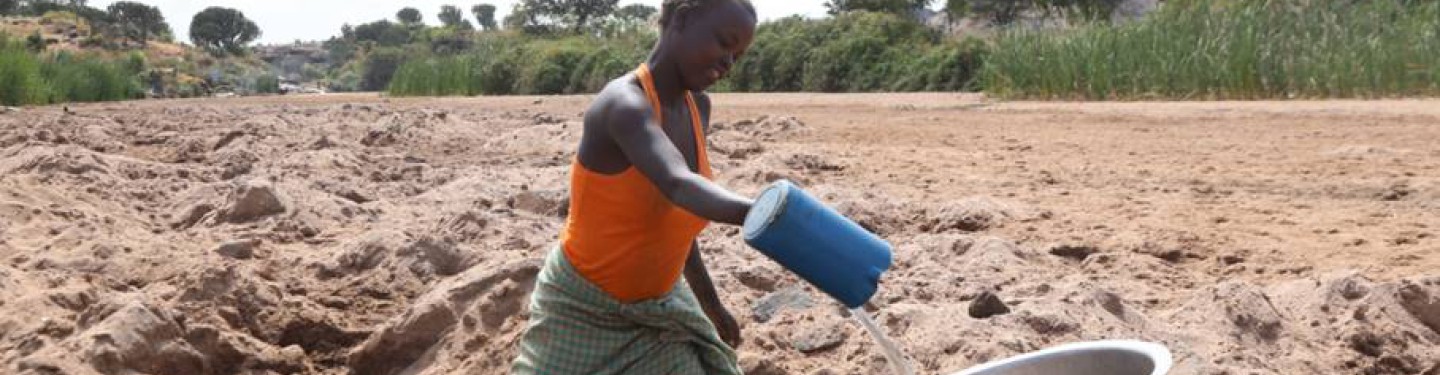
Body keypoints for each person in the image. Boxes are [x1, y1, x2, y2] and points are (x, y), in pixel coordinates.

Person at [512, 0, 758, 374]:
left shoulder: (698, 108)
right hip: (581, 307)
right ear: (683, 18)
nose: (728, 63)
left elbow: (676, 221)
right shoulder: (624, 104)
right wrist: (770, 214)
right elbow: (678, 184)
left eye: (737, 56)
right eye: (725, 43)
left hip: (657, 306)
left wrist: (711, 303)